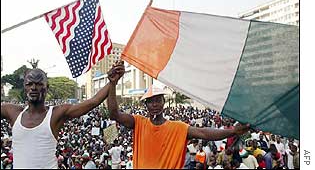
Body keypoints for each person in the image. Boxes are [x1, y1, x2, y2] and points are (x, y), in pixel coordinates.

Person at [107, 60, 250, 169]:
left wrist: (232, 131)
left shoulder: (178, 128)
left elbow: (204, 133)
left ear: (164, 102)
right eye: (150, 102)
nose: (155, 104)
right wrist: (113, 84)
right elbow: (114, 114)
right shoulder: (138, 123)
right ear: (146, 105)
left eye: (158, 100)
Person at [0, 64, 125, 169]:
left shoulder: (56, 114)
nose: (33, 88)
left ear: (46, 88)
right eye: (29, 84)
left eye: (39, 84)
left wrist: (112, 82)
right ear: (24, 87)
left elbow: (93, 101)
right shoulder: (13, 112)